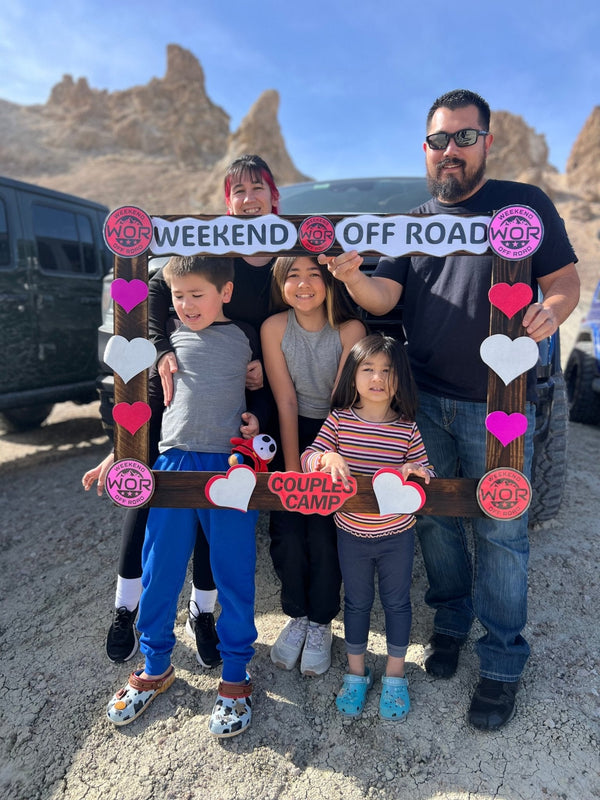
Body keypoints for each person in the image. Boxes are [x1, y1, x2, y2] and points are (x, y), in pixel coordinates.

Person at [321, 89, 580, 731]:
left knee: (502, 530)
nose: (451, 151)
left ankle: (500, 662)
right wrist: (353, 278)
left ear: (487, 142)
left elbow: (566, 279)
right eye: (439, 140)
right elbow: (384, 298)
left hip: (502, 403)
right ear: (426, 148)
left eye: (464, 137)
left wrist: (557, 308)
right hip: (426, 401)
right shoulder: (411, 222)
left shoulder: (525, 206)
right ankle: (453, 622)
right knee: (431, 519)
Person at [83, 154, 280, 668]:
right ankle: (130, 611)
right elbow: (153, 284)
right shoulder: (209, 242)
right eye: (238, 190)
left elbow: (284, 325)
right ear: (227, 199)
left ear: (274, 198)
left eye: (258, 188)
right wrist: (161, 344)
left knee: (219, 536)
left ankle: (204, 614)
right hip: (181, 374)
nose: (248, 198)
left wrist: (256, 376)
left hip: (231, 393)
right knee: (151, 514)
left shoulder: (283, 252)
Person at [106, 254, 268, 737]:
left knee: (235, 570)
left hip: (230, 465)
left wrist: (257, 411)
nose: (187, 304)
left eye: (197, 294)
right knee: (161, 567)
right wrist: (112, 453)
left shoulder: (246, 336)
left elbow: (264, 387)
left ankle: (236, 675)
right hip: (173, 463)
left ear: (226, 293)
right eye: (179, 296)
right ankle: (156, 664)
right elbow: (140, 405)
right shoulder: (167, 343)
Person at [301, 333, 434, 720]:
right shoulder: (339, 421)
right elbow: (309, 456)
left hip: (398, 536)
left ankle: (395, 675)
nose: (377, 378)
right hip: (350, 534)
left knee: (397, 603)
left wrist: (415, 470)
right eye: (368, 369)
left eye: (387, 371)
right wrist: (327, 457)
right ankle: (356, 673)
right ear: (353, 376)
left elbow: (428, 472)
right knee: (356, 603)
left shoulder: (408, 429)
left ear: (399, 379)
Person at [260, 255, 366, 675]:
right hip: (294, 430)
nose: (303, 284)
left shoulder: (350, 329)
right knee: (287, 528)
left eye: (313, 275)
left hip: (339, 437)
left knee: (325, 532)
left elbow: (341, 405)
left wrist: (322, 463)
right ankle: (297, 614)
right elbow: (285, 400)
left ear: (329, 281)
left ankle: (322, 621)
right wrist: (292, 475)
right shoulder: (273, 328)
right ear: (280, 284)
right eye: (293, 276)